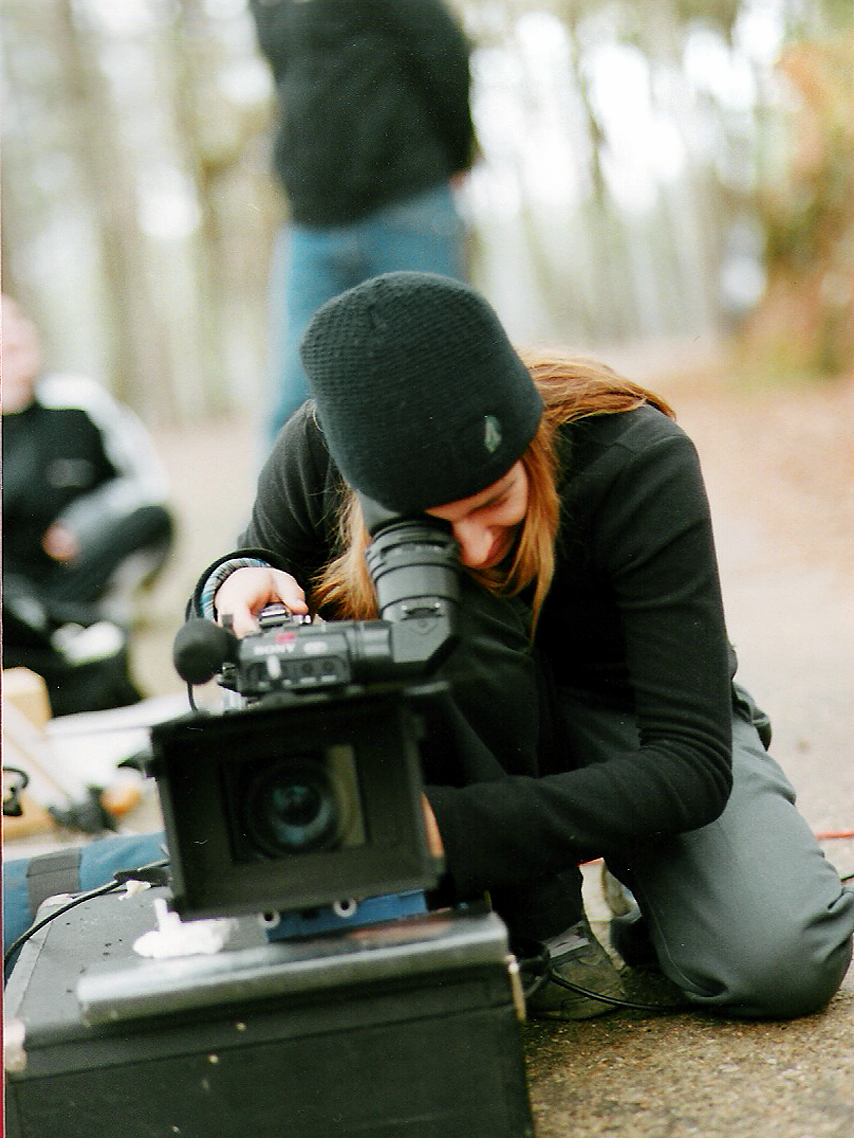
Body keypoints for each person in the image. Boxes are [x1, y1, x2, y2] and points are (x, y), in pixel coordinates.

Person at [195, 271, 853, 1021]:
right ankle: (541, 926)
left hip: (629, 721)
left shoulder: (637, 458)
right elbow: (238, 601)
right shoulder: (322, 447)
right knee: (444, 616)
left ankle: (642, 876)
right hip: (447, 721)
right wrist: (234, 584)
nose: (477, 548)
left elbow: (693, 763)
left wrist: (444, 830)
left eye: (494, 502)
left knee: (780, 958)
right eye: (432, 526)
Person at [249, 0, 477, 442]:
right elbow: (286, 79)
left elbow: (442, 48)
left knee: (441, 378)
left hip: (408, 199)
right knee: (292, 401)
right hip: (311, 217)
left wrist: (456, 155)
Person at [1, 294, 175, 715]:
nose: (14, 334)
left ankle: (65, 622)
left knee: (153, 518)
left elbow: (147, 485)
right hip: (10, 584)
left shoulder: (79, 403)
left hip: (74, 570)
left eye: (19, 320)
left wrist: (86, 523)